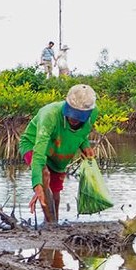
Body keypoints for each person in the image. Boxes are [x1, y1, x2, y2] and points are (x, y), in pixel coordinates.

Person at [19, 84, 98, 223]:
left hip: (59, 150)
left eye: (79, 115)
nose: (74, 119)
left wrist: (85, 146)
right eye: (72, 113)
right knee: (44, 174)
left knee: (55, 192)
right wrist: (37, 184)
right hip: (34, 144)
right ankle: (50, 224)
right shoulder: (49, 114)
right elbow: (39, 152)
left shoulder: (93, 113)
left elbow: (81, 134)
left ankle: (53, 223)